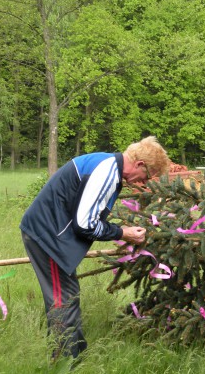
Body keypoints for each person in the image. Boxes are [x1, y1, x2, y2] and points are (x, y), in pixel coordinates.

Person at [20, 137, 170, 361]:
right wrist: (122, 233)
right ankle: (65, 363)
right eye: (147, 176)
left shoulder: (109, 165)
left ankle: (74, 355)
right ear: (139, 164)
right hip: (48, 237)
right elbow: (85, 224)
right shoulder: (107, 173)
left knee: (67, 295)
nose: (144, 183)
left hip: (49, 234)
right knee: (63, 299)